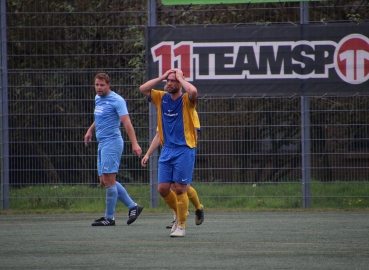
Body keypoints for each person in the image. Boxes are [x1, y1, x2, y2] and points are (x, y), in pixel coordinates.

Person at [139, 68, 202, 237]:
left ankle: (181, 225)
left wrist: (180, 78)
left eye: (173, 81)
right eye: (169, 80)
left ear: (180, 82)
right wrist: (162, 76)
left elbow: (193, 91)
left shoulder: (186, 100)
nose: (169, 83)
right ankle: (181, 212)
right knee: (163, 189)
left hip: (184, 149)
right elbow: (143, 89)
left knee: (180, 188)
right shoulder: (161, 98)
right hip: (167, 150)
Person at [84, 73, 144, 226]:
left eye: (102, 85)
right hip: (102, 143)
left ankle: (109, 218)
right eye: (96, 84)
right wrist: (90, 131)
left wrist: (135, 144)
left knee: (109, 181)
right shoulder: (98, 98)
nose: (99, 88)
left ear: (108, 85)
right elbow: (99, 118)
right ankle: (133, 206)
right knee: (104, 181)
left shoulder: (117, 100)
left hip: (112, 143)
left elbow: (127, 123)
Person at [141, 109, 204, 229]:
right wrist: (147, 154)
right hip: (168, 152)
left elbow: (194, 134)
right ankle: (178, 216)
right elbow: (159, 135)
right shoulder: (165, 111)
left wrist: (187, 152)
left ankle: (198, 208)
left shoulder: (190, 111)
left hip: (184, 152)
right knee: (168, 187)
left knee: (181, 187)